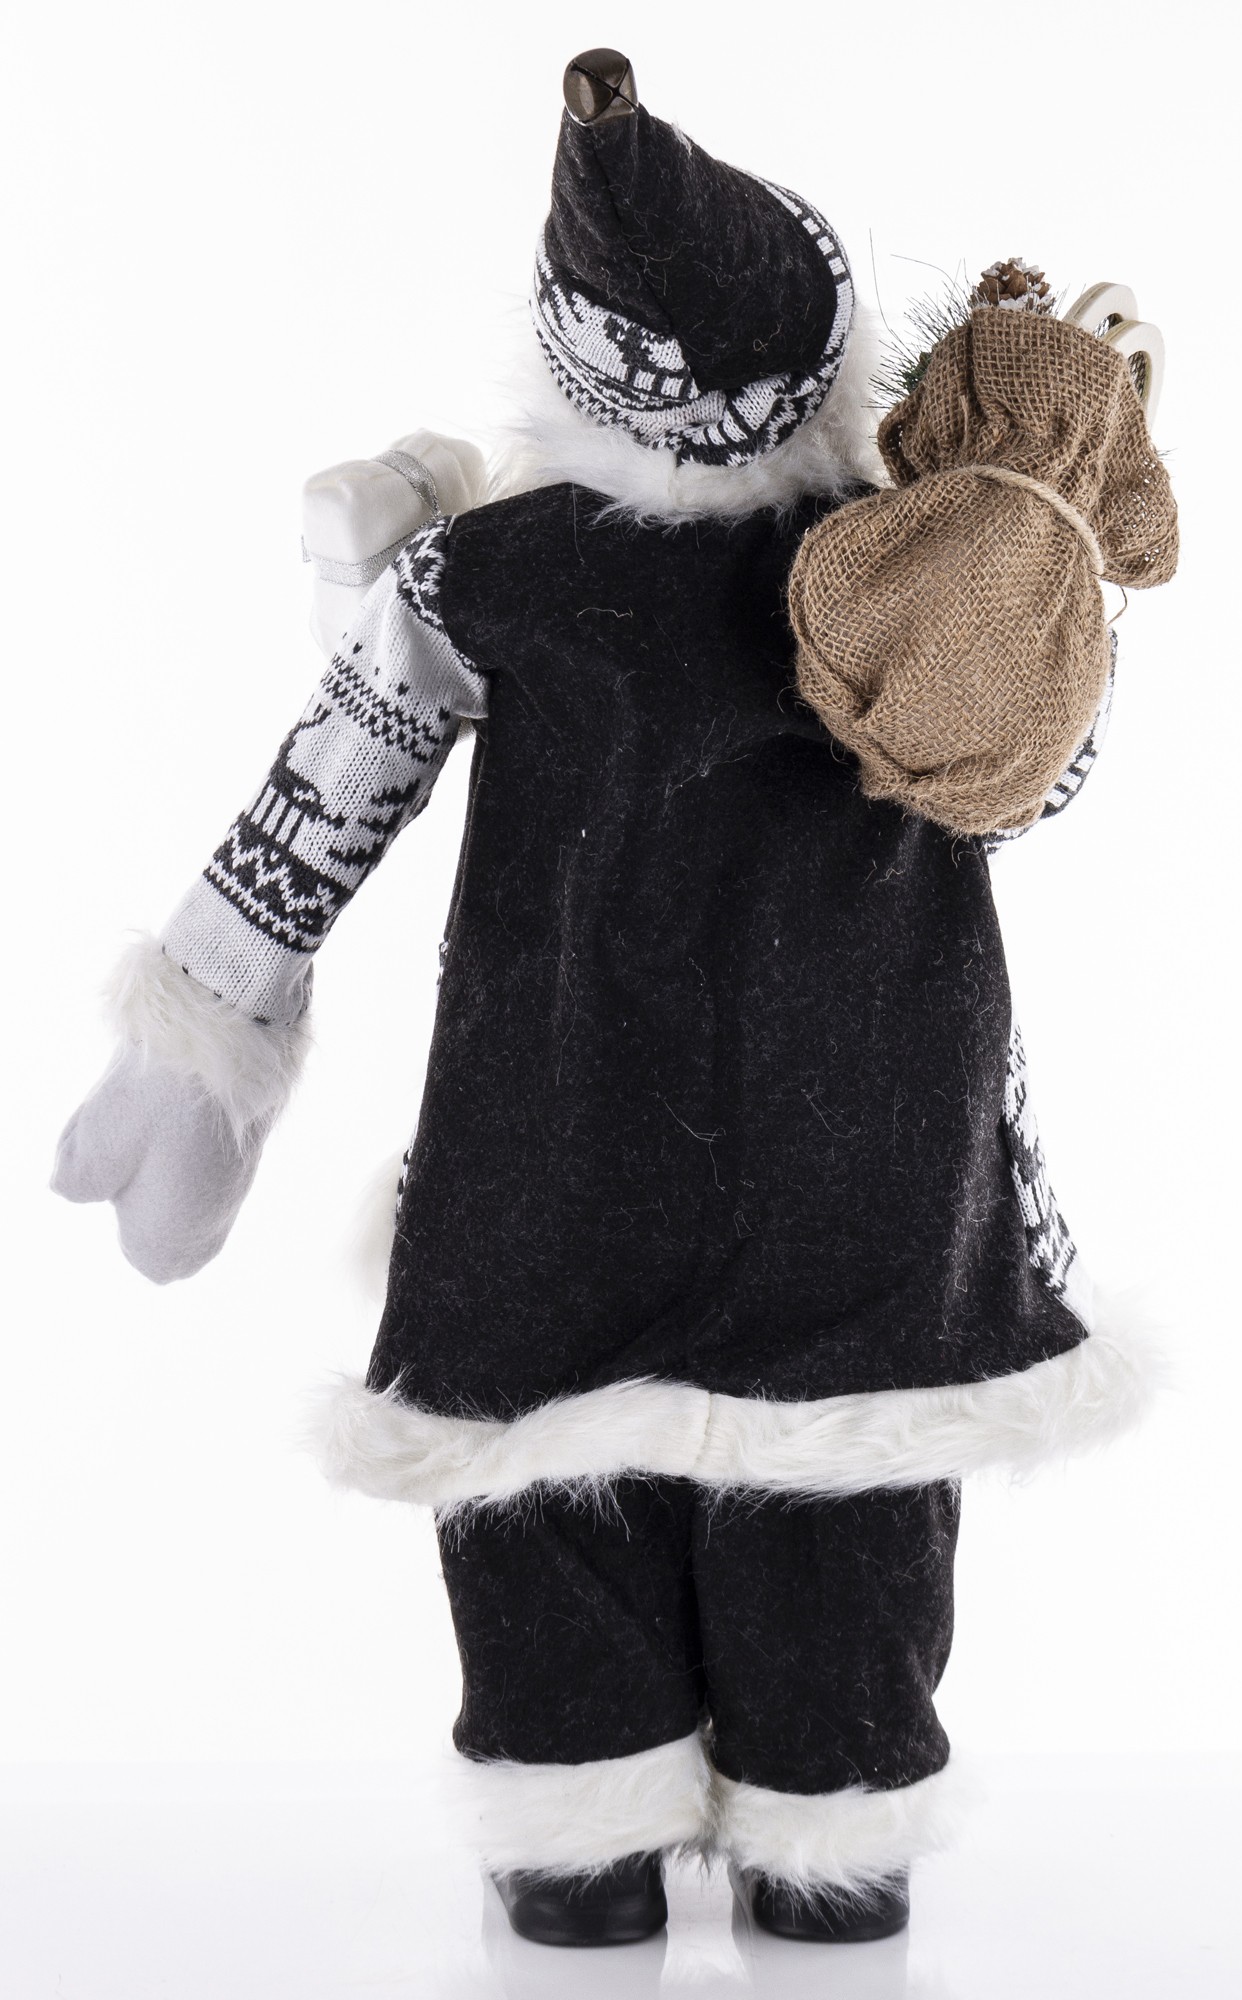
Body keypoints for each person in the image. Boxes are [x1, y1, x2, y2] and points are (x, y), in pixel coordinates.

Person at [51, 49, 1158, 1948]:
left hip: (550, 1152)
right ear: (827, 364)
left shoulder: (482, 573)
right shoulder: (910, 569)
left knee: (548, 1508)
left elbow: (326, 794)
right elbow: (1036, 786)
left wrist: (205, 1036)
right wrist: (1034, 529)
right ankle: (831, 1852)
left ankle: (575, 1867)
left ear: (570, 366)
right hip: (868, 1177)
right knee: (846, 1515)